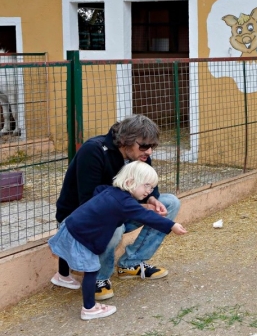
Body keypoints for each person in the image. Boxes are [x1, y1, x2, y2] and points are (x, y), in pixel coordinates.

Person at [51, 114, 181, 299]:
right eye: (144, 146)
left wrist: (152, 199)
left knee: (171, 203)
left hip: (120, 209)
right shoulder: (93, 150)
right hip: (81, 218)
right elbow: (88, 201)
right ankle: (99, 278)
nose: (149, 151)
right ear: (125, 141)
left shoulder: (140, 156)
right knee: (114, 226)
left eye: (152, 146)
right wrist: (139, 209)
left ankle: (131, 263)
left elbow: (150, 186)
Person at [49, 161, 187, 320]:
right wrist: (172, 225)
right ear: (130, 182)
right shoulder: (124, 202)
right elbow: (147, 217)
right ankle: (89, 308)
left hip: (70, 227)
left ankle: (61, 276)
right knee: (92, 269)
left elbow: (98, 190)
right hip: (81, 235)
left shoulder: (112, 191)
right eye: (147, 186)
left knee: (66, 252)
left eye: (151, 187)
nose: (149, 191)